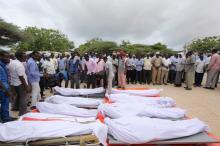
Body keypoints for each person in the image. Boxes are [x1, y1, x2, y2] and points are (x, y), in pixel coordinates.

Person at [8, 51, 30, 116]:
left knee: (18, 96)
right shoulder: (19, 65)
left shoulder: (12, 62)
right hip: (20, 83)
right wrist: (26, 87)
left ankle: (15, 107)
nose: (26, 57)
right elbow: (21, 77)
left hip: (14, 83)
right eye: (24, 56)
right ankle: (23, 112)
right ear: (19, 57)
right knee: (23, 97)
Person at [0, 50, 16, 122]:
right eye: (6, 57)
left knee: (5, 103)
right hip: (3, 89)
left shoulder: (4, 66)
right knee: (5, 103)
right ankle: (5, 118)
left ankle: (4, 117)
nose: (9, 59)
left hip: (5, 87)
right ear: (1, 57)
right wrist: (5, 90)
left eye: (9, 57)